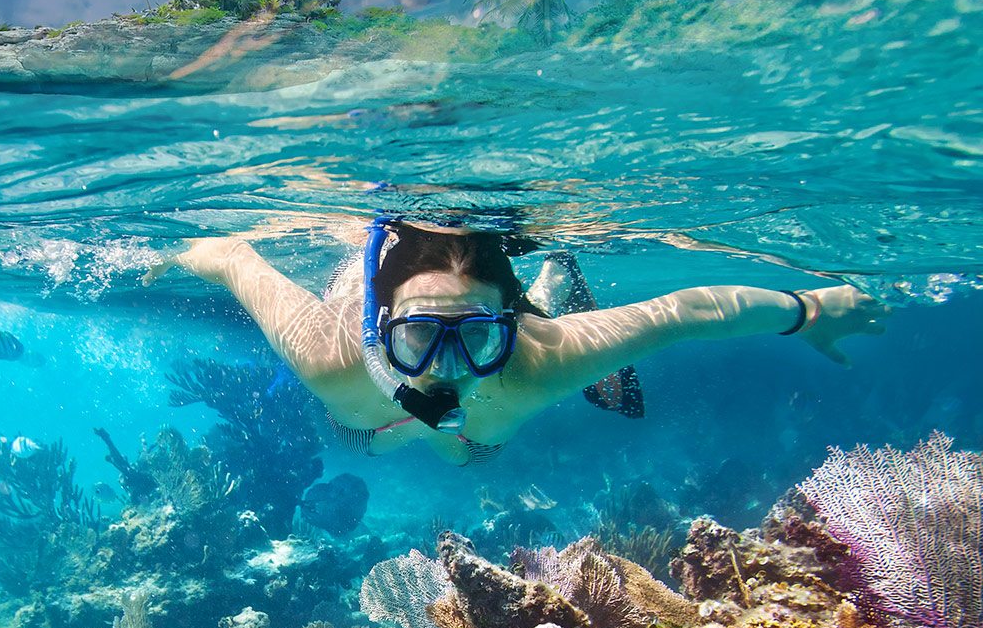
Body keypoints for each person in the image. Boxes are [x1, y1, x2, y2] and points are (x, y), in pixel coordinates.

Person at [143, 219, 889, 466]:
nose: (445, 368)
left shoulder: (540, 359)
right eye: (420, 336)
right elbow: (236, 254)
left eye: (475, 337)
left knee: (470, 447)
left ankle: (551, 287)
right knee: (363, 434)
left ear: (510, 325)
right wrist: (176, 255)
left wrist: (810, 308)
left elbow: (687, 311)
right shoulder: (329, 356)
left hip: (505, 366)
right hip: (366, 416)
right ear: (380, 330)